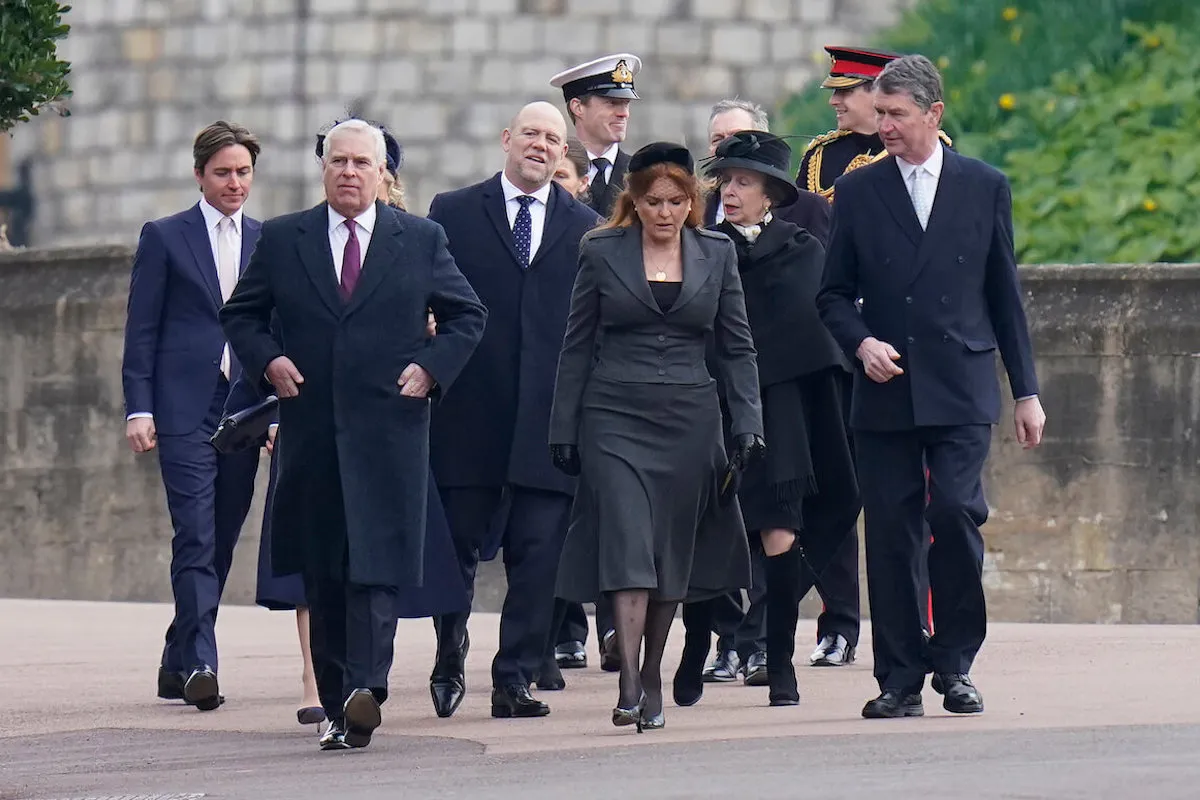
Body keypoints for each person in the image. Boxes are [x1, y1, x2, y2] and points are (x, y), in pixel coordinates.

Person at [219, 118, 487, 751]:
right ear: (323, 167)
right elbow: (242, 313)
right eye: (338, 161)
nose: (348, 172)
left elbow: (467, 315)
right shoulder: (286, 239)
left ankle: (367, 689)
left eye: (361, 163)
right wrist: (267, 361)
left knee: (376, 572)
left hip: (389, 434)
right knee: (326, 574)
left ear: (381, 172)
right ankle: (341, 706)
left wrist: (430, 369)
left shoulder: (420, 239)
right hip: (312, 436)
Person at [817, 55, 1045, 719]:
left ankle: (956, 661)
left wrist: (1026, 391)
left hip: (961, 380)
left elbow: (1004, 294)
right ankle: (898, 678)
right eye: (879, 113)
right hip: (885, 387)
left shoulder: (983, 185)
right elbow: (831, 295)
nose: (884, 125)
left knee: (953, 511)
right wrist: (859, 342)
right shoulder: (859, 192)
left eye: (896, 114)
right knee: (890, 532)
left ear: (933, 114)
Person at [549, 142, 763, 732]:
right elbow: (575, 343)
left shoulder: (716, 253)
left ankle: (652, 677)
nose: (664, 212)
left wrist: (748, 423)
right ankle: (624, 685)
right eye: (651, 202)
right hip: (613, 414)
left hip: (691, 419)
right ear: (633, 202)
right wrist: (562, 427)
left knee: (671, 551)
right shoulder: (601, 251)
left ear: (691, 202)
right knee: (626, 541)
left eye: (675, 201)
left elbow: (737, 346)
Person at [424, 102, 602, 721]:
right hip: (469, 415)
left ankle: (515, 678)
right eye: (531, 133)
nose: (542, 145)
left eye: (553, 139)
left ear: (563, 153)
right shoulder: (451, 213)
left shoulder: (588, 228)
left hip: (551, 422)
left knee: (539, 556)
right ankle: (449, 652)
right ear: (507, 139)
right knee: (457, 549)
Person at [797, 45, 956, 667]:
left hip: (904, 346)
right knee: (836, 486)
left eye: (848, 92)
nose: (837, 102)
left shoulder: (936, 162)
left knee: (925, 504)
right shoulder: (820, 160)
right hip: (838, 335)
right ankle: (840, 620)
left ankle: (922, 624)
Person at [703, 130, 861, 706]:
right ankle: (722, 641)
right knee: (709, 529)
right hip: (716, 406)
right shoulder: (705, 248)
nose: (732, 192)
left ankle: (776, 657)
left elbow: (814, 336)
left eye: (744, 181)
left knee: (781, 530)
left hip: (787, 413)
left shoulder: (802, 250)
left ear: (770, 192)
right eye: (726, 181)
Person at [121, 120, 264, 712]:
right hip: (182, 408)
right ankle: (201, 663)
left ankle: (175, 657)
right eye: (224, 173)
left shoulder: (267, 239)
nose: (235, 183)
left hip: (246, 408)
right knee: (196, 533)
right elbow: (142, 329)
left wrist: (277, 414)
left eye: (244, 173)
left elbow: (272, 329)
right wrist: (139, 407)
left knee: (224, 538)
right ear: (200, 175)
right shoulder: (165, 236)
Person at [549, 53, 644, 672]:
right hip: (561, 361)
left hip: (624, 367)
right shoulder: (544, 174)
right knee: (557, 500)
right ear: (577, 107)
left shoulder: (644, 182)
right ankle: (561, 626)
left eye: (627, 103)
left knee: (620, 503)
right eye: (610, 102)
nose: (621, 112)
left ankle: (616, 626)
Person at [705, 99, 831, 245]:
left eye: (738, 137)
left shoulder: (810, 209)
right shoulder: (693, 206)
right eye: (717, 139)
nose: (727, 145)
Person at [552, 137, 592, 203]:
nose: (548, 182)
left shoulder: (585, 213)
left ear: (583, 183)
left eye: (560, 176)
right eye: (545, 175)